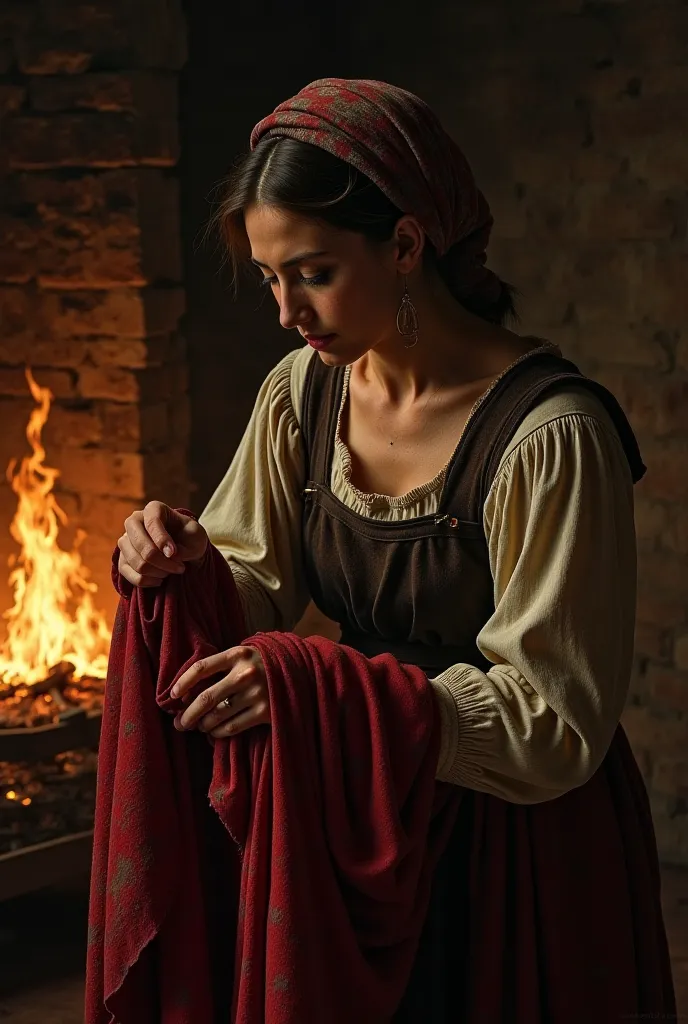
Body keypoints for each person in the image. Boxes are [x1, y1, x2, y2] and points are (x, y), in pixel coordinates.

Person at [116, 79, 675, 1020]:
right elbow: (254, 579)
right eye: (268, 277)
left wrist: (312, 688)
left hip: (512, 845)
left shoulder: (549, 436)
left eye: (314, 271)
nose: (288, 310)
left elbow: (555, 720)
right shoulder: (305, 390)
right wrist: (182, 565)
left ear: (408, 244)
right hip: (358, 811)